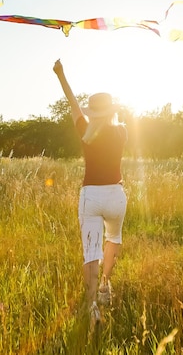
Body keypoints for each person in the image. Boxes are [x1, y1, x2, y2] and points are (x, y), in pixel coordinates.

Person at [52, 59, 127, 327]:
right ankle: (106, 283)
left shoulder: (85, 131)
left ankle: (93, 305)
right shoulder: (122, 132)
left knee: (90, 252)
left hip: (91, 196)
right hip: (116, 196)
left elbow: (72, 103)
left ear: (92, 113)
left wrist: (61, 74)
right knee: (113, 238)